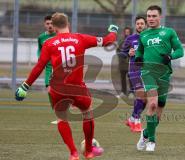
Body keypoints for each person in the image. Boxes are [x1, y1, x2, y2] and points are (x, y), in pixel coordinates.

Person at [15, 12, 118, 160]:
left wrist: (25, 87)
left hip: (58, 90)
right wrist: (113, 30)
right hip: (78, 88)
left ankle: (73, 153)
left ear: (55, 28)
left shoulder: (49, 43)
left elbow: (39, 67)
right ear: (68, 24)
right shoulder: (80, 38)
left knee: (62, 118)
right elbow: (108, 41)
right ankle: (88, 151)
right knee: (87, 114)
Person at [135, 5, 184, 151]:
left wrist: (170, 56)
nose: (150, 19)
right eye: (148, 16)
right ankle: (151, 141)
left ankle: (145, 133)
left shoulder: (168, 32)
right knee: (152, 104)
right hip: (148, 73)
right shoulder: (143, 35)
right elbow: (139, 51)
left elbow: (180, 50)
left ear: (160, 17)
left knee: (159, 110)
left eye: (154, 16)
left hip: (164, 74)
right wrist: (138, 58)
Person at [120, 16, 147, 132]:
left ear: (145, 25)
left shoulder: (149, 38)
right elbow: (122, 54)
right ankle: (137, 122)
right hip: (134, 70)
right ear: (135, 25)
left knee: (145, 99)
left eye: (142, 23)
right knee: (140, 95)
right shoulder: (130, 38)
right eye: (138, 23)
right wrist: (128, 53)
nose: (140, 25)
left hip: (146, 70)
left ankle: (132, 118)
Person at [37, 15, 56, 88]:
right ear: (44, 24)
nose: (50, 25)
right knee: (49, 88)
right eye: (48, 24)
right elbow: (40, 49)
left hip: (60, 67)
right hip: (49, 68)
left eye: (52, 23)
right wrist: (40, 58)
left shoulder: (59, 35)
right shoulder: (41, 37)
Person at [117, 26, 132, 97]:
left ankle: (131, 92)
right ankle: (123, 92)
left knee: (131, 78)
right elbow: (118, 50)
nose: (127, 33)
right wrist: (121, 55)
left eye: (128, 32)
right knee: (122, 78)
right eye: (126, 32)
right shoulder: (121, 41)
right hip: (122, 63)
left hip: (130, 63)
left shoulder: (132, 40)